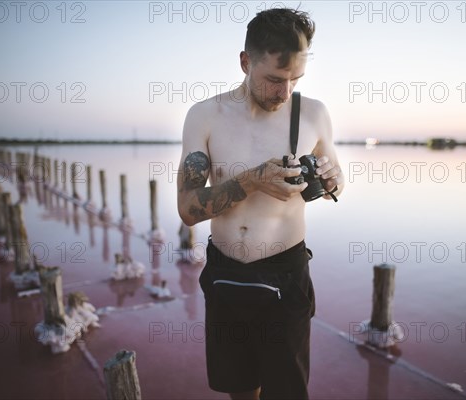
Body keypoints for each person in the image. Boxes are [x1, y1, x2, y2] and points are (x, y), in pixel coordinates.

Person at [177, 8, 344, 400]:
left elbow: (335, 175)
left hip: (287, 273)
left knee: (287, 391)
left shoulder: (315, 114)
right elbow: (186, 209)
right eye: (273, 79)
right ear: (245, 62)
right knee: (240, 389)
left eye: (295, 80)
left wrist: (333, 179)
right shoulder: (205, 116)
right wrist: (253, 179)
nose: (284, 93)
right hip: (225, 270)